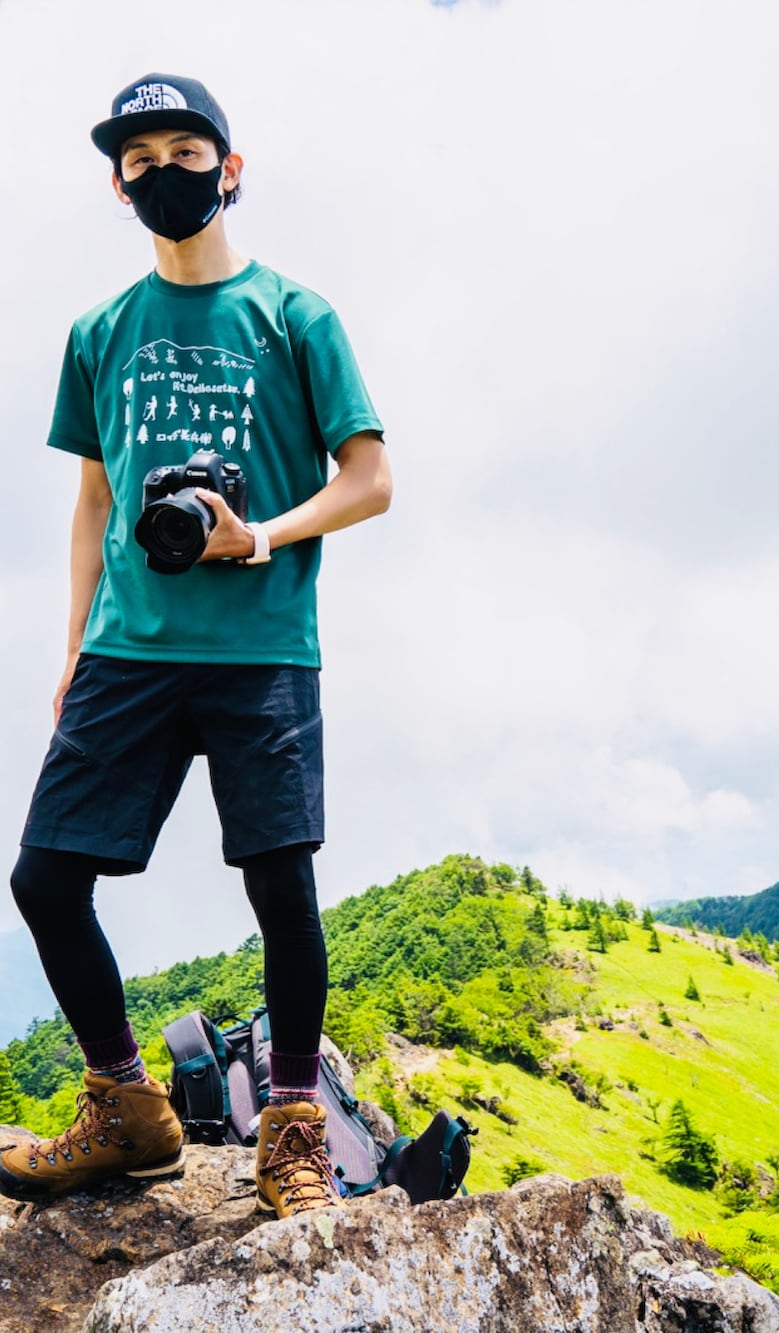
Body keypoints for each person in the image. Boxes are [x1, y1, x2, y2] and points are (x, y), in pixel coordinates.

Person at [0, 73, 391, 1219]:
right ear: (117, 187)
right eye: (139, 158)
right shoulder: (101, 330)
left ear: (231, 168)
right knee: (45, 876)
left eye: (185, 148)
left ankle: (291, 1129)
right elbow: (91, 500)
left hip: (263, 641)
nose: (162, 170)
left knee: (281, 885)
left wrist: (259, 533)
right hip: (130, 648)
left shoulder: (296, 316)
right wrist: (73, 644)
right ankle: (128, 1109)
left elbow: (369, 480)